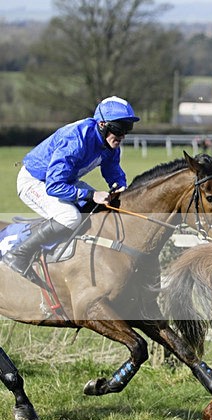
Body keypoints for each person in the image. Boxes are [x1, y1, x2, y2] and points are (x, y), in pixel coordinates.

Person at [3, 96, 139, 281]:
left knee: (102, 208)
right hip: (35, 181)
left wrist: (121, 189)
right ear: (102, 124)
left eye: (127, 129)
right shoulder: (75, 140)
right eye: (119, 129)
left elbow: (112, 170)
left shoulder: (109, 144)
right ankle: (18, 254)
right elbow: (54, 186)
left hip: (64, 181)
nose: (123, 135)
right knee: (70, 217)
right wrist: (91, 194)